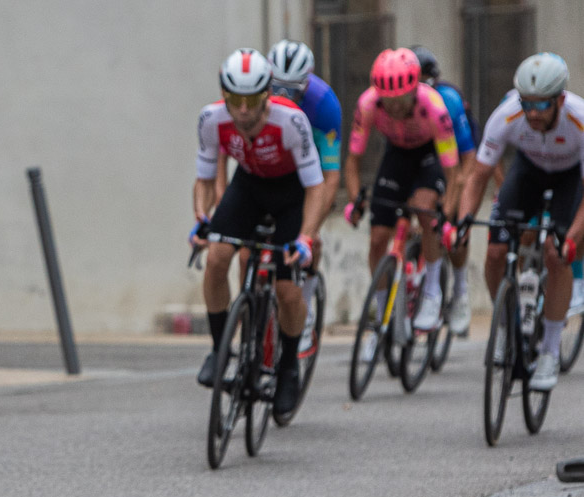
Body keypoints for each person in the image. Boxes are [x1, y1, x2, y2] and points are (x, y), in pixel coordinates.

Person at [192, 48, 327, 417]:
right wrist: (202, 218)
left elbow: (316, 187)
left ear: (267, 93)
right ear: (225, 95)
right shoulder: (211, 119)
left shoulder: (291, 122)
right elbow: (204, 179)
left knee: (286, 289)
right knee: (217, 257)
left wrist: (305, 237)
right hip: (248, 186)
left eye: (253, 100)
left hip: (290, 194)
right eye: (236, 100)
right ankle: (220, 351)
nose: (244, 110)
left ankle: (287, 369)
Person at [453, 52, 584, 391]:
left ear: (560, 100)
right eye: (527, 104)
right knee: (496, 252)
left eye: (541, 106)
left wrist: (570, 238)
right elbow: (478, 176)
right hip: (528, 172)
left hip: (571, 179)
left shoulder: (579, 119)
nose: (532, 114)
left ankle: (551, 350)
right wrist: (464, 221)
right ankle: (505, 324)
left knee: (558, 255)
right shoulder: (508, 114)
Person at [343, 48, 460, 361]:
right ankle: (382, 319)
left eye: (401, 100)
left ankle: (433, 291)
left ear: (414, 89)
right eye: (388, 101)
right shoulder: (368, 104)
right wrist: (355, 200)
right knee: (378, 238)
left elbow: (453, 171)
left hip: (430, 155)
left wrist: (446, 212)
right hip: (396, 155)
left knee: (424, 209)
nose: (394, 107)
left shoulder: (433, 107)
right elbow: (352, 161)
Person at [266, 40, 343, 352]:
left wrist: (310, 231)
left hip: (308, 175)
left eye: (292, 91)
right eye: (275, 89)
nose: (283, 98)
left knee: (310, 239)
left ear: (306, 84)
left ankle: (306, 303)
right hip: (272, 169)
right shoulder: (256, 97)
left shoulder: (324, 104)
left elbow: (330, 174)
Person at [411, 45, 477, 335]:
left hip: (458, 158)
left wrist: (456, 197)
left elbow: (468, 159)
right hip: (424, 157)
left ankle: (460, 290)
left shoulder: (448, 100)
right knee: (420, 208)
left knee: (455, 227)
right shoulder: (400, 105)